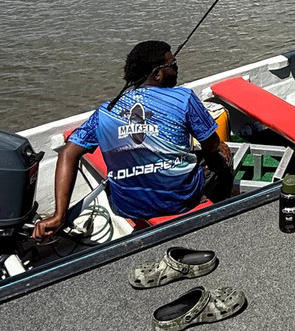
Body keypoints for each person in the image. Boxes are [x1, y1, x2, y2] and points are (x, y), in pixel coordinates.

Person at [32, 40, 234, 239]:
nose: (176, 68)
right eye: (172, 65)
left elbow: (68, 152)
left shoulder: (106, 112)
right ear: (156, 73)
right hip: (178, 200)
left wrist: (60, 214)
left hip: (126, 206)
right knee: (222, 158)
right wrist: (219, 147)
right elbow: (211, 144)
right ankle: (219, 218)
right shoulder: (183, 98)